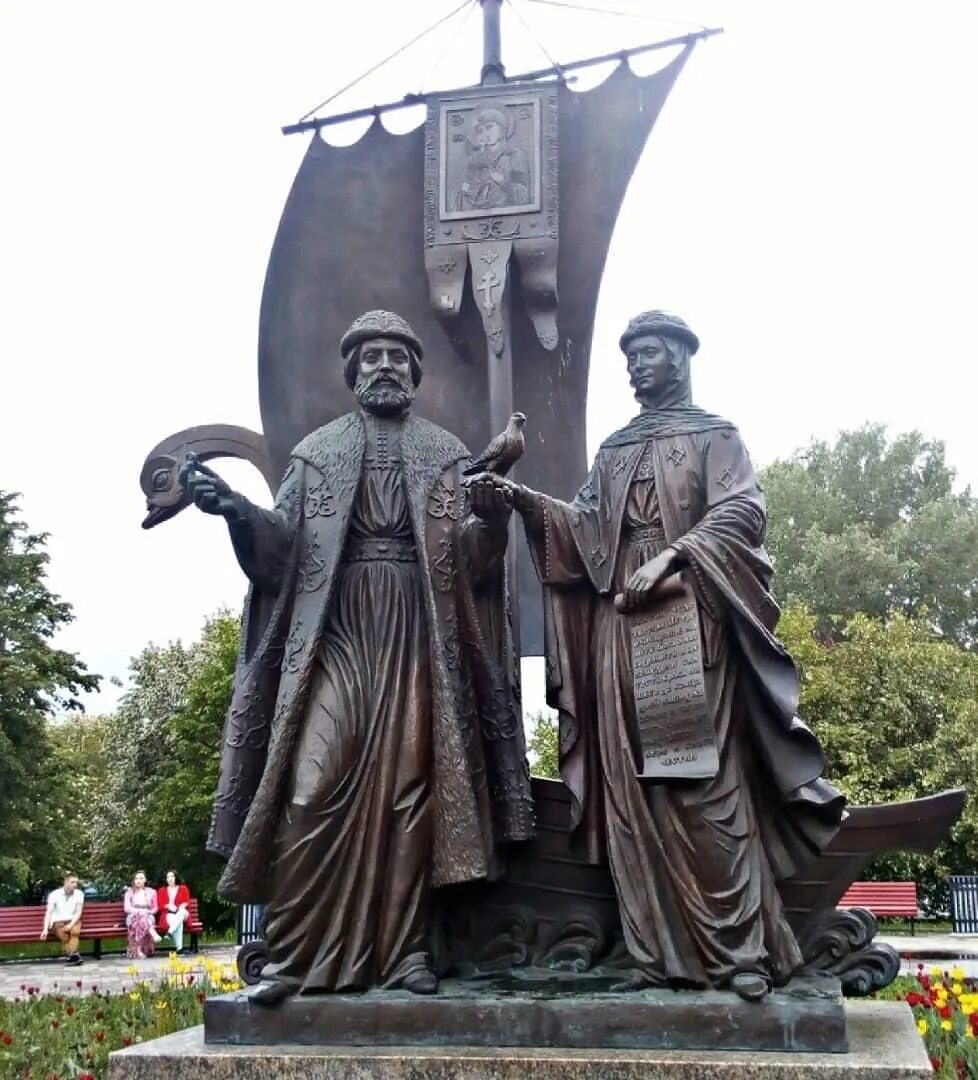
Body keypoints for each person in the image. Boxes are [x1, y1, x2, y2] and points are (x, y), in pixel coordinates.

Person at [468, 311, 846, 1002]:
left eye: (646, 353)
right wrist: (522, 501)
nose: (635, 366)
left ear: (678, 354)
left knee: (702, 789)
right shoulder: (616, 449)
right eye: (629, 357)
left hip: (686, 623)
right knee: (632, 790)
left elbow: (742, 513)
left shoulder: (715, 436)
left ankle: (740, 951)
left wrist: (672, 556)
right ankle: (656, 952)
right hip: (620, 626)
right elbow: (584, 530)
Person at [184, 309, 532, 1004]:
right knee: (310, 788)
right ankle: (294, 957)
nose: (384, 366)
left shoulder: (445, 453)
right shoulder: (316, 454)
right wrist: (238, 511)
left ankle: (406, 953)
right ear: (352, 372)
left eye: (397, 357)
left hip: (418, 633)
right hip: (338, 635)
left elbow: (472, 564)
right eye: (371, 356)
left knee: (412, 793)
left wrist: (491, 520)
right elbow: (280, 554)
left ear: (414, 372)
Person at [453, 105, 530, 211]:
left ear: (502, 129)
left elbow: (523, 197)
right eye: (480, 130)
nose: (485, 133)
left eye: (489, 127)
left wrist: (503, 183)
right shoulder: (474, 160)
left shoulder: (514, 156)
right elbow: (460, 195)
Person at [40, 873, 84, 965]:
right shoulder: (54, 894)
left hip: (73, 920)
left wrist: (71, 925)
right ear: (66, 882)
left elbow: (78, 912)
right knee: (64, 937)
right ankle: (74, 955)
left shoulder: (79, 894)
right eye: (72, 882)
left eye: (76, 882)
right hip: (58, 922)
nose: (75, 885)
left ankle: (72, 955)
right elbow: (49, 912)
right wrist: (45, 929)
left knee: (75, 932)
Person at [123, 870, 159, 959]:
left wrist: (149, 912)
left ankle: (138, 950)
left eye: (141, 878)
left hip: (148, 916)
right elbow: (127, 908)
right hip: (132, 916)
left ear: (145, 880)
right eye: (136, 878)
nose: (138, 880)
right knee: (141, 918)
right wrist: (139, 911)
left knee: (143, 919)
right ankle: (152, 933)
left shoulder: (152, 892)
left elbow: (155, 908)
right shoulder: (129, 893)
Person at [156, 870, 192, 953]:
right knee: (179, 923)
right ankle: (179, 949)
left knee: (182, 912)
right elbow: (159, 905)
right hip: (169, 914)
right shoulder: (162, 890)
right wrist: (168, 906)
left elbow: (187, 901)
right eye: (168, 877)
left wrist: (183, 905)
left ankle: (170, 932)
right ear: (166, 879)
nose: (170, 879)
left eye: (172, 876)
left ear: (176, 877)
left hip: (183, 913)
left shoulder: (183, 888)